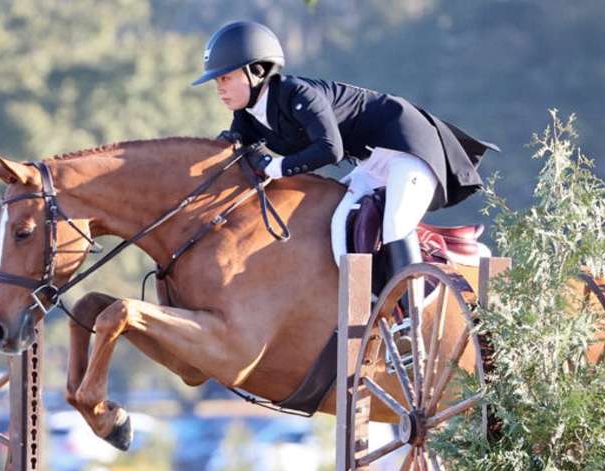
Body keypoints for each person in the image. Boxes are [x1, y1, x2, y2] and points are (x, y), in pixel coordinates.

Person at [193, 20, 498, 298]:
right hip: (371, 161)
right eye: (217, 81)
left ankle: (411, 311)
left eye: (226, 79)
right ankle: (367, 301)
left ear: (256, 71)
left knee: (396, 224)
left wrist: (277, 166)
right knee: (337, 220)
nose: (219, 89)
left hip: (407, 146)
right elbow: (240, 149)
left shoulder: (297, 94)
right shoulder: (246, 115)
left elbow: (329, 150)